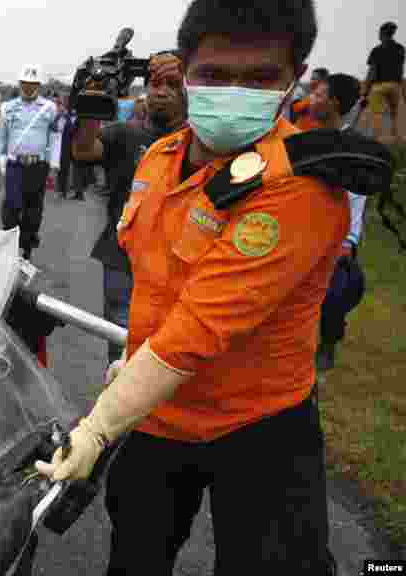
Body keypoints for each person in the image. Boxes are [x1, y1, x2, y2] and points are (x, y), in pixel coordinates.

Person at [36, 1, 348, 574]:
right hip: (158, 417)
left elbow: (201, 326)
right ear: (187, 71)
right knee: (135, 557)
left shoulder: (300, 186)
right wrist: (130, 364)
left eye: (259, 78)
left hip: (259, 422)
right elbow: (157, 283)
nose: (233, 92)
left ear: (293, 79)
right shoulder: (159, 158)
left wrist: (100, 426)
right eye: (214, 75)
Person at [71, 51, 187, 367]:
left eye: (171, 85)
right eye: (154, 85)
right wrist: (92, 98)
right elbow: (83, 149)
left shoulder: (199, 143)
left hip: (178, 264)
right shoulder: (125, 133)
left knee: (170, 347)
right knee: (121, 342)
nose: (160, 92)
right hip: (123, 257)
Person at [301, 73, 369, 379]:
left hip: (335, 237)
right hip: (304, 231)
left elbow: (356, 197)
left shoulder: (351, 148)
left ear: (334, 104)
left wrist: (348, 241)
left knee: (334, 293)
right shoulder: (307, 138)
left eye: (318, 95)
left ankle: (328, 342)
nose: (311, 100)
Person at [0, 64, 61, 260]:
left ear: (39, 85)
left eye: (32, 84)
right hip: (14, 165)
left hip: (38, 166)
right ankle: (11, 243)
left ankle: (27, 249)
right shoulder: (7, 108)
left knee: (33, 209)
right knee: (11, 206)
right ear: (19, 84)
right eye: (25, 83)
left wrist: (54, 166)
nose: (28, 87)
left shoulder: (50, 108)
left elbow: (54, 139)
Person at [362, 21, 405, 143]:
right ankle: (398, 140)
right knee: (396, 116)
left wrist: (365, 91)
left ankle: (376, 141)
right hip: (395, 86)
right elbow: (400, 70)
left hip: (379, 87)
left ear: (382, 34)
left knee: (376, 115)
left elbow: (372, 72)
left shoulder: (376, 50)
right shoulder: (400, 49)